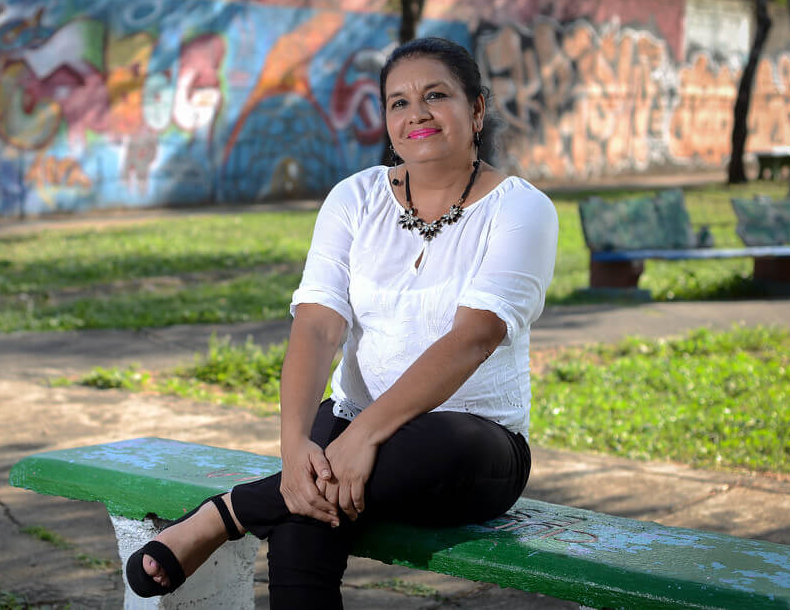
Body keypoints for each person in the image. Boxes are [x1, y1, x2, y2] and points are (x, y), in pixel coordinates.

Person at [125, 36, 559, 609]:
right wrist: (292, 448)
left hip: (470, 444)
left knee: (417, 448)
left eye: (436, 95)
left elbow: (473, 337)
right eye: (398, 102)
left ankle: (223, 514)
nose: (416, 114)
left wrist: (364, 436)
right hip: (348, 424)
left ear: (476, 109)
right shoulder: (355, 198)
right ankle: (285, 487)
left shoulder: (520, 209)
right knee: (307, 499)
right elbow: (317, 327)